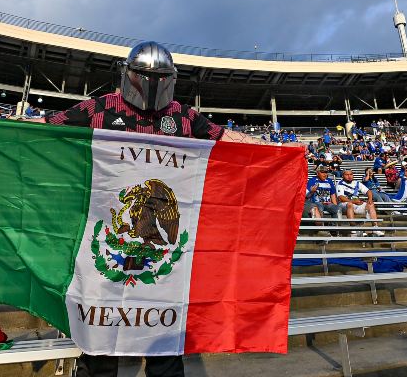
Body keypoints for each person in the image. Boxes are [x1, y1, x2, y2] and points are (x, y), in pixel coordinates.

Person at [38, 41, 280, 377]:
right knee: (99, 336)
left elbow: (224, 139)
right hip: (108, 242)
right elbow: (42, 128)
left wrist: (281, 150)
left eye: (161, 77)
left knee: (165, 340)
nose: (151, 84)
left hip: (163, 250)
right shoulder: (100, 109)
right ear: (127, 75)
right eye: (143, 76)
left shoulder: (181, 116)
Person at [335, 170, 384, 236]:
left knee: (371, 204)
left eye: (351, 174)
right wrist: (353, 201)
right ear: (343, 176)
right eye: (347, 175)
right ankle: (353, 228)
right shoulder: (340, 184)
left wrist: (370, 199)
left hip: (355, 204)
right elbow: (341, 197)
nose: (349, 176)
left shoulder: (357, 183)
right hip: (343, 205)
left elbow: (368, 191)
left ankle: (375, 228)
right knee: (350, 204)